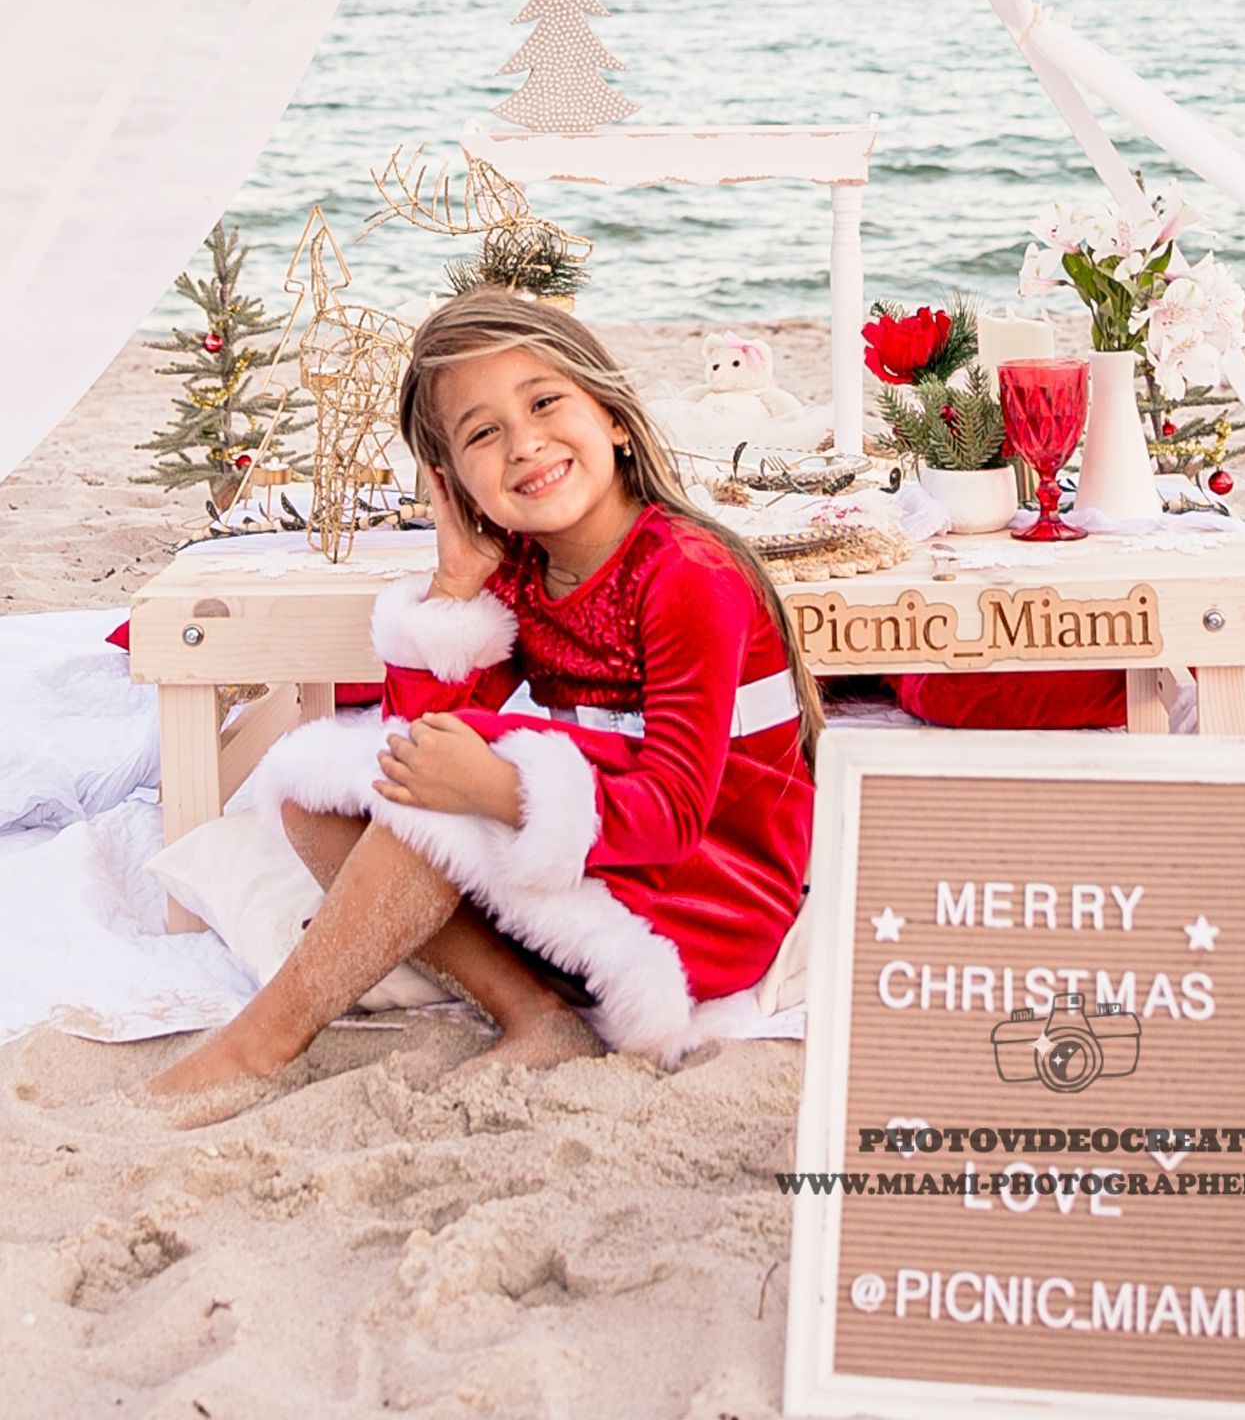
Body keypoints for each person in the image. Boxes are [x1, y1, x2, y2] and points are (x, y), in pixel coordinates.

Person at [145, 292, 819, 1122]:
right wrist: (456, 585)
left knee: (439, 797)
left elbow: (677, 813)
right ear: (453, 482)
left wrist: (495, 791)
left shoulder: (687, 573)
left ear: (610, 415)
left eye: (543, 403)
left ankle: (265, 1041)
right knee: (316, 796)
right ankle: (534, 1016)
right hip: (606, 864)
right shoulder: (524, 572)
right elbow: (412, 747)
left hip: (704, 895)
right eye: (481, 434)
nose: (524, 443)